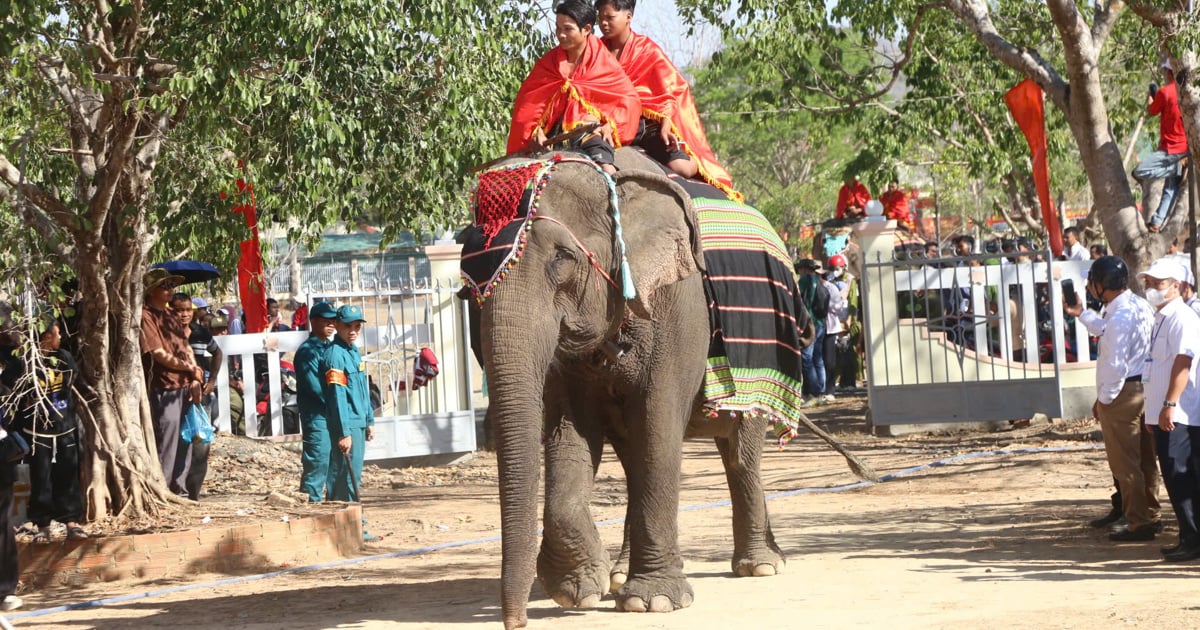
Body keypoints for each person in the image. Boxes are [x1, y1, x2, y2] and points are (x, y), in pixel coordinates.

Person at [594, 0, 741, 200]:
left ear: (628, 16)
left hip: (645, 125)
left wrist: (666, 122)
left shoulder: (647, 50)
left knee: (680, 167)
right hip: (610, 127)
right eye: (600, 18)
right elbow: (590, 91)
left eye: (609, 17)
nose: (603, 23)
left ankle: (698, 162)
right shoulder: (596, 52)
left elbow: (670, 90)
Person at [1063, 256, 1159, 540]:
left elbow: (1115, 364)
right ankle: (1150, 514)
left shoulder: (1119, 315)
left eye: (1092, 281)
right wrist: (1081, 313)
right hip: (1144, 389)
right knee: (1145, 459)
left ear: (1102, 284)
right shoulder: (1137, 306)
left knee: (1125, 463)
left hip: (1123, 393)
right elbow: (1107, 332)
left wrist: (1105, 398)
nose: (1089, 286)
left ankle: (1138, 522)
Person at [508, 0, 642, 175]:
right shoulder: (547, 64)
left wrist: (609, 124)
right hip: (551, 138)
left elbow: (628, 100)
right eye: (558, 28)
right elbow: (527, 106)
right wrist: (535, 130)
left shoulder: (603, 62)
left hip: (587, 134)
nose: (560, 35)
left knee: (607, 170)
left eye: (568, 29)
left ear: (586, 29)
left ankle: (617, 199)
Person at [0, 321, 87, 542]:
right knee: (41, 479)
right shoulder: (24, 361)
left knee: (68, 476)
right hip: (38, 432)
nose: (60, 338)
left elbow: (71, 381)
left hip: (64, 428)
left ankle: (72, 522)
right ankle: (43, 525)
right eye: (57, 334)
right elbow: (7, 384)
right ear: (46, 337)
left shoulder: (64, 357)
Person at [1137, 258, 1200, 561]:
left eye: (1157, 283)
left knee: (1180, 476)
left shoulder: (1182, 318)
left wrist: (1169, 405)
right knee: (1174, 477)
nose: (1151, 288)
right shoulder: (1161, 316)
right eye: (1148, 282)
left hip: (1181, 414)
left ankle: (1193, 538)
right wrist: (1153, 412)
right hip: (1164, 412)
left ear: (1176, 286)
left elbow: (1182, 363)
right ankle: (1188, 535)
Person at [140, 268, 204, 496]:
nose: (170, 290)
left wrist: (195, 375)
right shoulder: (146, 316)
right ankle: (163, 488)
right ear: (151, 291)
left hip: (185, 385)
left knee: (186, 439)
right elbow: (158, 353)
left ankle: (181, 489)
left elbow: (185, 347)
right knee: (166, 440)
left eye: (171, 285)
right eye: (164, 286)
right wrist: (189, 367)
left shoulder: (169, 315)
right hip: (164, 387)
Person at [1134, 63, 1189, 233]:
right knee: (1170, 188)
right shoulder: (1190, 93)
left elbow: (1152, 110)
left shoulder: (1166, 92)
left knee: (1139, 171)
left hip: (1170, 148)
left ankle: (1176, 169)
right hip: (1186, 148)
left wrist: (1151, 98)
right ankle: (1157, 221)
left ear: (1168, 71)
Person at [296, 301, 338, 502]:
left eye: (333, 320)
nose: (330, 324)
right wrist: (337, 402)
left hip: (334, 414)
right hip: (318, 415)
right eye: (325, 320)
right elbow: (315, 387)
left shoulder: (333, 348)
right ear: (313, 322)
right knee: (318, 461)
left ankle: (333, 506)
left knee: (334, 464)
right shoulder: (308, 351)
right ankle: (310, 506)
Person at [795, 259, 829, 402]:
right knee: (818, 358)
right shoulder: (820, 281)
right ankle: (821, 391)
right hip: (821, 323)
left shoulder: (804, 281)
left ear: (804, 269)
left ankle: (813, 393)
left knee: (806, 359)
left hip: (811, 324)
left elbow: (800, 302)